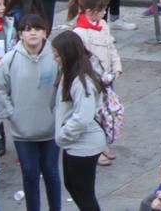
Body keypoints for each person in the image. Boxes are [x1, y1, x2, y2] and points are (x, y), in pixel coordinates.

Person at [0, 14, 60, 211]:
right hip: (23, 132)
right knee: (30, 175)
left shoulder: (56, 57)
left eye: (37, 29)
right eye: (28, 29)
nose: (33, 32)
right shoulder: (9, 60)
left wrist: (57, 114)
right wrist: (12, 114)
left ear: (45, 32)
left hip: (50, 130)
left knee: (51, 172)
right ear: (20, 34)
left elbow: (64, 89)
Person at [50, 29, 105, 211]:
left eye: (57, 56)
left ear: (68, 55)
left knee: (84, 193)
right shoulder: (70, 73)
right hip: (74, 143)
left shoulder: (82, 82)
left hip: (84, 144)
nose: (55, 59)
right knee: (72, 186)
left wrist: (62, 135)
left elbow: (83, 117)